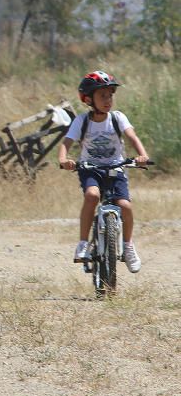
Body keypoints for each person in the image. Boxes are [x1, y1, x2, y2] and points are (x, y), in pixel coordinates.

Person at [57, 71, 149, 271]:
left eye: (110, 95)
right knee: (92, 195)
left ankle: (128, 246)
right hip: (90, 168)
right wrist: (64, 160)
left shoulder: (117, 118)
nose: (108, 100)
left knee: (125, 206)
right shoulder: (82, 121)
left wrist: (142, 155)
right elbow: (66, 143)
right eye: (102, 96)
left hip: (116, 167)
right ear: (89, 99)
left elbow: (132, 137)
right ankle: (82, 244)